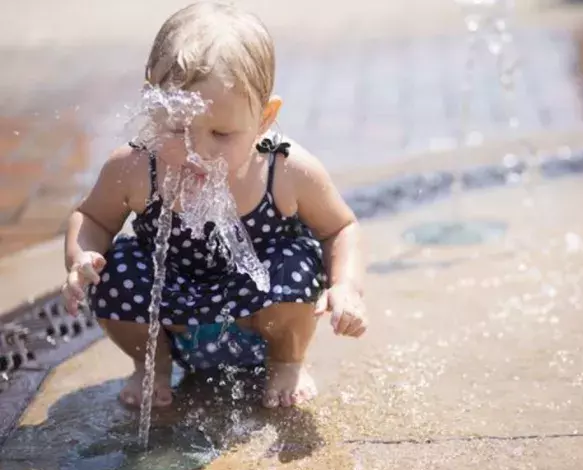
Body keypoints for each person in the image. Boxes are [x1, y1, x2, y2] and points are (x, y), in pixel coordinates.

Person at [62, 0, 367, 409]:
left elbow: (340, 228)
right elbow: (92, 217)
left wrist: (346, 286)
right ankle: (151, 365)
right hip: (171, 315)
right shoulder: (136, 167)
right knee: (115, 273)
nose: (196, 151)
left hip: (262, 316)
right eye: (176, 128)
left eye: (221, 134)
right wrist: (82, 257)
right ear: (153, 104)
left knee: (297, 261)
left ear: (264, 118)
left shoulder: (285, 169)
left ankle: (286, 362)